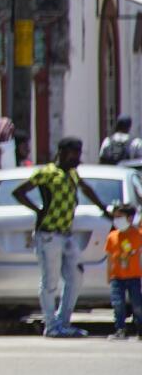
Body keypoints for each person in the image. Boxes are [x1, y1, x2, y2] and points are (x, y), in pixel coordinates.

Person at [13, 137, 113, 338]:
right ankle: (51, 326)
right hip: (48, 235)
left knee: (75, 277)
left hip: (67, 235)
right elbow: (19, 192)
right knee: (50, 281)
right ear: (62, 152)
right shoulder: (47, 173)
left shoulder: (73, 174)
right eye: (74, 153)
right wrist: (38, 210)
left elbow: (86, 189)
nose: (77, 158)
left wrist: (104, 209)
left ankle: (63, 322)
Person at [107, 203, 142, 340]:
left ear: (130, 218)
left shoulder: (138, 235)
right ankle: (120, 329)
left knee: (137, 304)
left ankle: (140, 330)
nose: (117, 220)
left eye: (120, 217)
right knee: (118, 304)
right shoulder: (112, 236)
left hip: (134, 276)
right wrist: (108, 275)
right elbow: (109, 257)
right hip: (117, 277)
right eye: (115, 217)